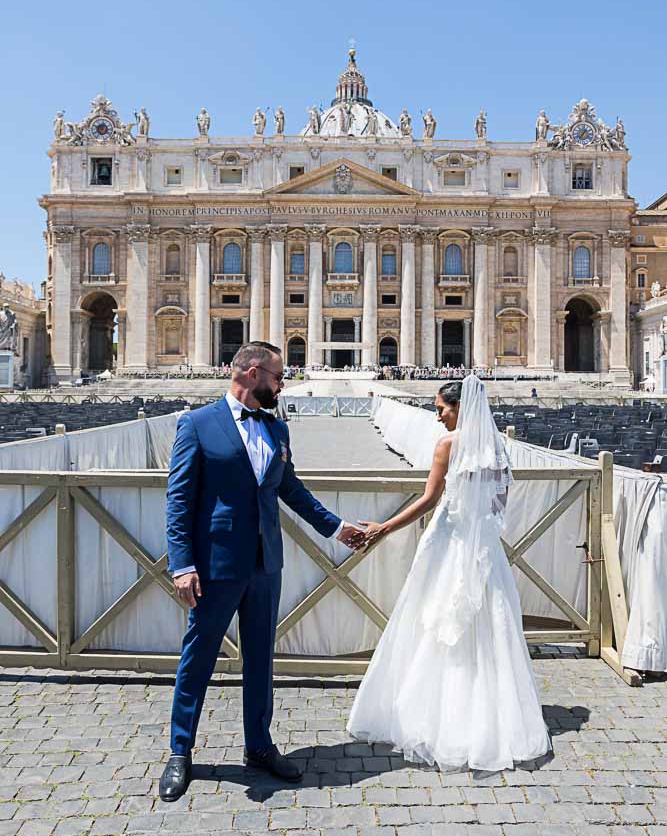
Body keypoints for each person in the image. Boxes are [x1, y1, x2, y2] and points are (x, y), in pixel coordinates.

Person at [160, 341, 365, 801]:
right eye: (278, 377)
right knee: (198, 659)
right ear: (253, 374)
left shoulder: (276, 429)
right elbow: (178, 502)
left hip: (265, 564)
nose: (282, 384)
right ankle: (179, 751)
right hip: (214, 566)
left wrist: (336, 529)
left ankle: (259, 745)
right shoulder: (196, 424)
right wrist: (182, 564)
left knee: (260, 661)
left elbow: (290, 489)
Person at [348, 375, 551, 772]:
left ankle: (438, 714)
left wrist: (383, 528)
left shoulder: (446, 446)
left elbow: (429, 499)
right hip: (484, 549)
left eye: (441, 409)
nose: (438, 416)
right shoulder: (498, 447)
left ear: (459, 408)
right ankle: (490, 714)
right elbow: (498, 506)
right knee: (490, 631)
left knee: (432, 626)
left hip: (449, 541)